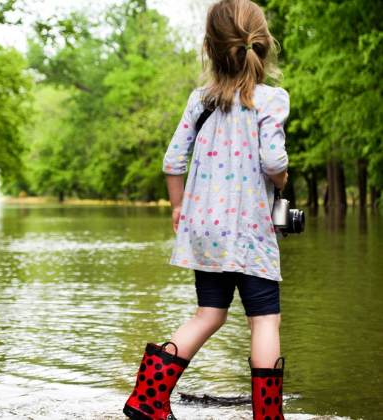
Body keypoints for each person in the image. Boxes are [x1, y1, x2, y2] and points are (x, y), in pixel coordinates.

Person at [122, 1, 289, 419]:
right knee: (264, 322)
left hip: (206, 231)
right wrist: (282, 184)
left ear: (210, 49)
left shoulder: (201, 101)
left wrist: (178, 206)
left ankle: (147, 398)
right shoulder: (270, 100)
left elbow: (172, 161)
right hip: (250, 233)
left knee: (208, 314)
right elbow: (274, 163)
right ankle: (268, 415)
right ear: (263, 45)